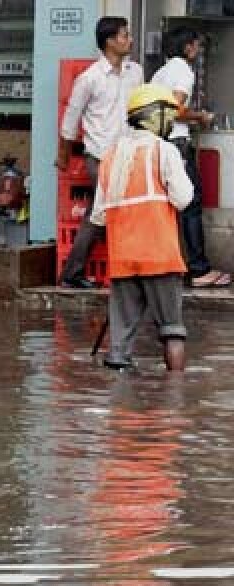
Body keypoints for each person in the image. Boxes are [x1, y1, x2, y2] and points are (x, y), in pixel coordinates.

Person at [90, 84, 193, 372]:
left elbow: (98, 216)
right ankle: (176, 395)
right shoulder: (164, 151)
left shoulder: (111, 156)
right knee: (172, 331)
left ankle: (118, 401)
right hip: (160, 256)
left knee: (119, 346)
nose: (171, 123)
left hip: (123, 259)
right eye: (169, 116)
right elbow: (184, 199)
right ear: (153, 117)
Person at [57, 16, 143, 289]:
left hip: (129, 154)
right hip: (101, 156)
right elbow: (70, 120)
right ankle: (76, 273)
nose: (130, 39)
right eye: (124, 35)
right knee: (101, 212)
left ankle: (78, 273)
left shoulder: (136, 72)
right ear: (109, 41)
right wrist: (64, 155)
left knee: (108, 212)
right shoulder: (89, 78)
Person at [151, 27, 230, 288]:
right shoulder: (184, 70)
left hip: (159, 143)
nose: (198, 51)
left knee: (168, 207)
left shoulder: (160, 73)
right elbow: (174, 110)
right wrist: (201, 117)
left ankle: (168, 266)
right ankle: (198, 270)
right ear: (188, 47)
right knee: (191, 204)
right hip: (177, 145)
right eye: (196, 46)